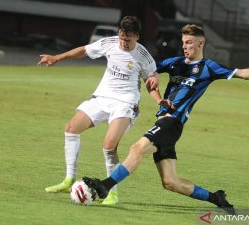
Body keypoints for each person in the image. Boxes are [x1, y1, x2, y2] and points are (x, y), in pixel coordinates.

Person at [83, 24, 249, 214]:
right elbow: (149, 68)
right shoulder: (174, 63)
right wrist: (153, 77)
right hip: (163, 122)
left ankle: (105, 186)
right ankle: (216, 198)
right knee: (170, 182)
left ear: (201, 43)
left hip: (172, 123)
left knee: (136, 149)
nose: (185, 46)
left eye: (189, 43)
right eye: (183, 42)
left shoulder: (208, 67)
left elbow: (243, 73)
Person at [38, 16, 161, 205]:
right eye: (121, 37)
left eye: (127, 40)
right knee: (71, 128)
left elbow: (152, 78)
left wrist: (158, 95)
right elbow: (84, 51)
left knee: (109, 146)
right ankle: (69, 179)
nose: (123, 43)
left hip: (125, 103)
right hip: (102, 98)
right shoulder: (109, 43)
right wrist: (57, 57)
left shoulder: (143, 56)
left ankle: (112, 193)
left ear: (136, 36)